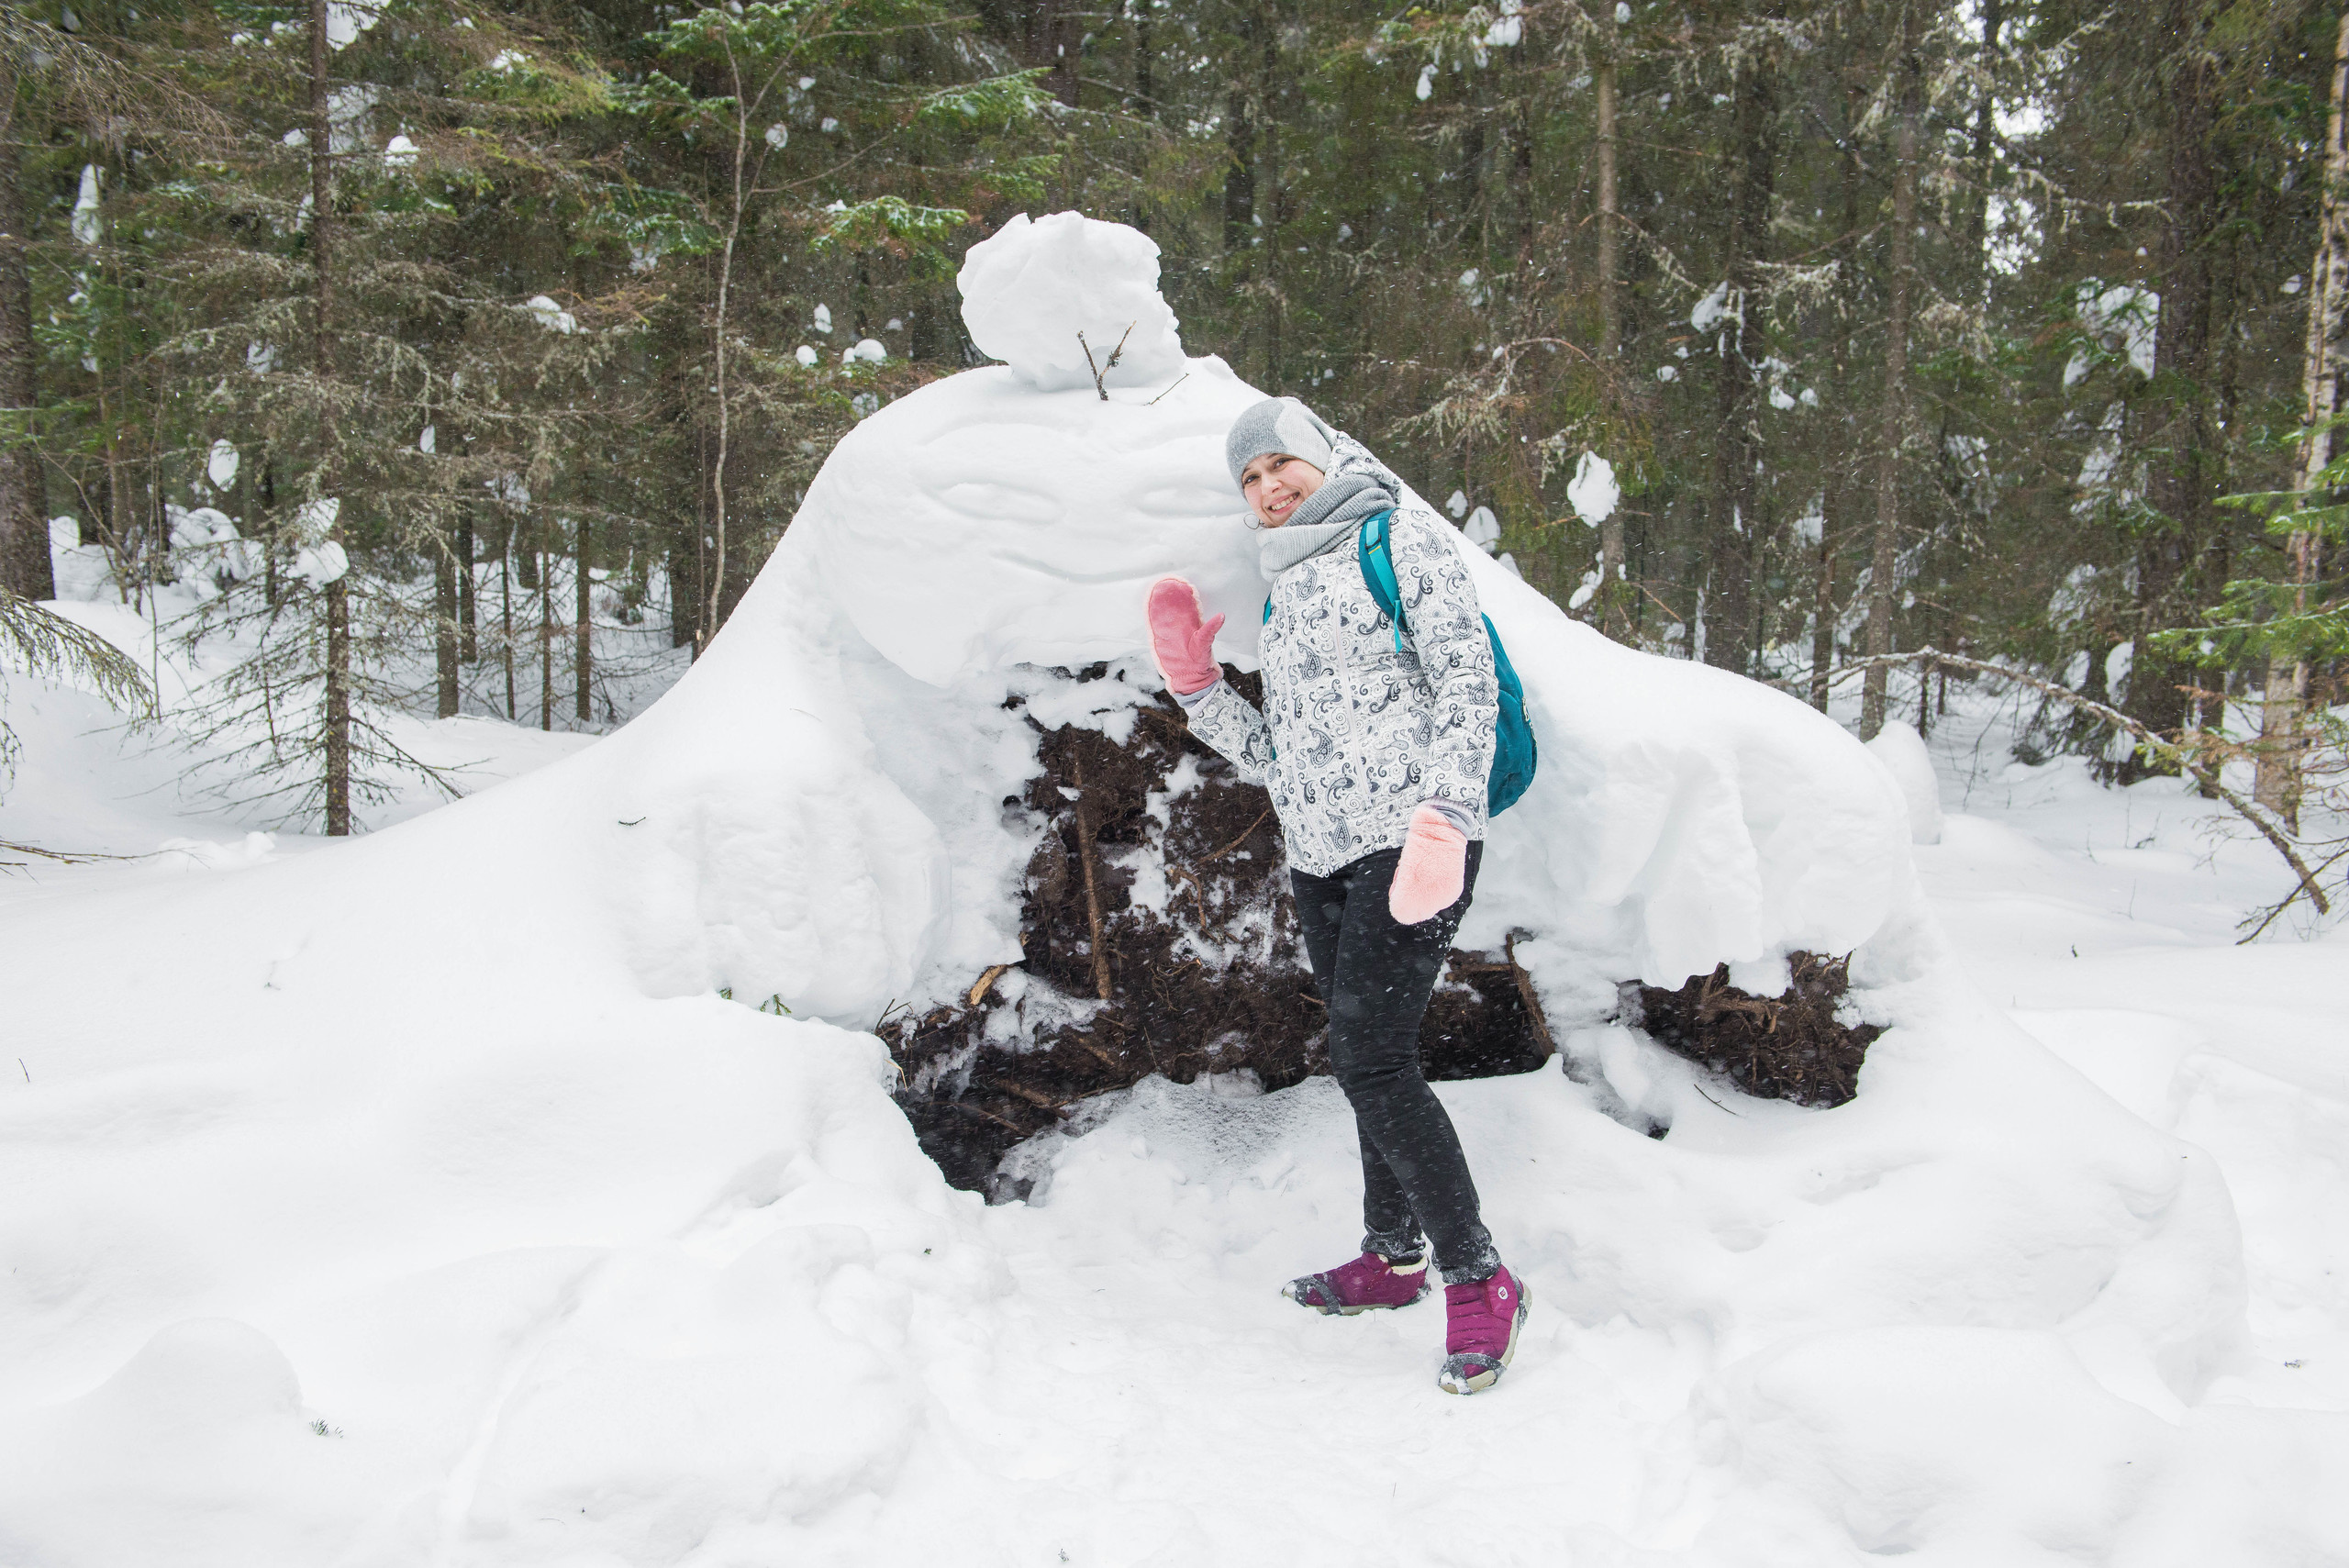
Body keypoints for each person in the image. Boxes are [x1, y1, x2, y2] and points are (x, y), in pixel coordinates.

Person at [1144, 395, 1530, 1396]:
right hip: (1321, 856)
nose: (1270, 487)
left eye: (1281, 463)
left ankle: (1478, 1276)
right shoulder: (1285, 586)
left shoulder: (1396, 537)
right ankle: (1392, 1256)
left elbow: (1466, 681)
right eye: (1250, 479)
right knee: (1371, 1057)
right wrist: (1197, 688)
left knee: (1371, 1058)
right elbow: (1284, 751)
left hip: (1414, 840)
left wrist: (1446, 813)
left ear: (1321, 456)